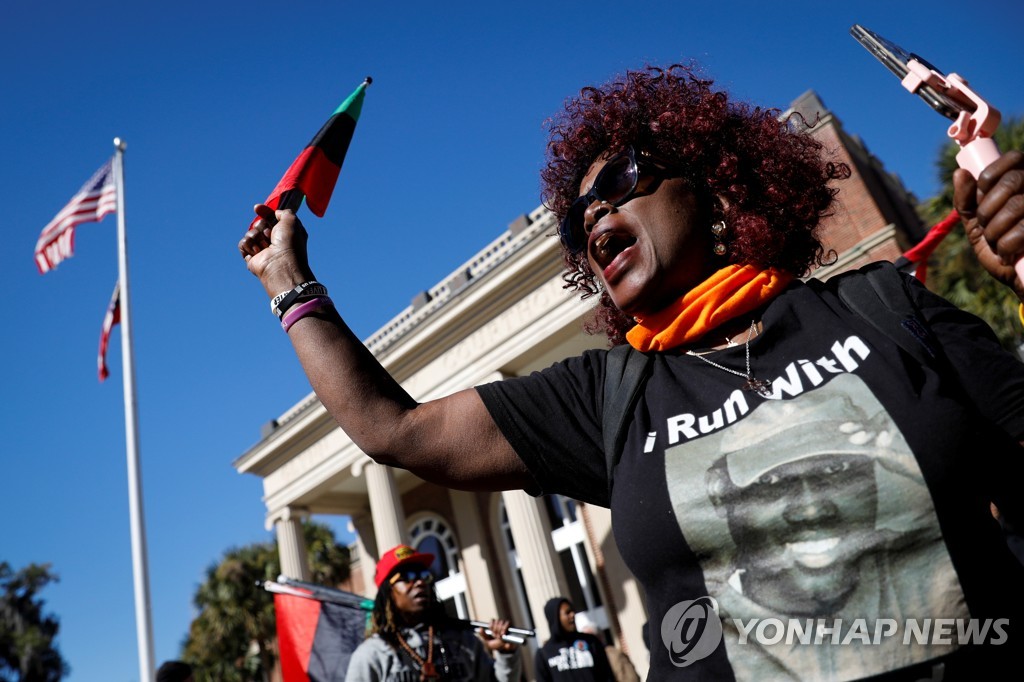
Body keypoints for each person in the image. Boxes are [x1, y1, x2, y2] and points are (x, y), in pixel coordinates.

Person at [241, 63, 1024, 680]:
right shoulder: (609, 395)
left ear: (715, 188)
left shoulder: (885, 308)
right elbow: (396, 430)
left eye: (620, 184)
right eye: (580, 220)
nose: (596, 218)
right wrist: (289, 284)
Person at [344, 544, 521, 681]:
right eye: (408, 577)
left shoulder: (463, 640)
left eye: (423, 575)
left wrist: (506, 655)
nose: (420, 582)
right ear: (388, 593)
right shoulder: (372, 654)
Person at [534, 598, 614, 681]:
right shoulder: (544, 654)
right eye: (567, 613)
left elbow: (607, 676)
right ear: (556, 618)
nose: (572, 615)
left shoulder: (591, 642)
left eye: (572, 611)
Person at [573, 611, 639, 682]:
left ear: (600, 638)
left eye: (590, 639)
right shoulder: (585, 659)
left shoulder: (612, 655)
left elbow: (630, 679)